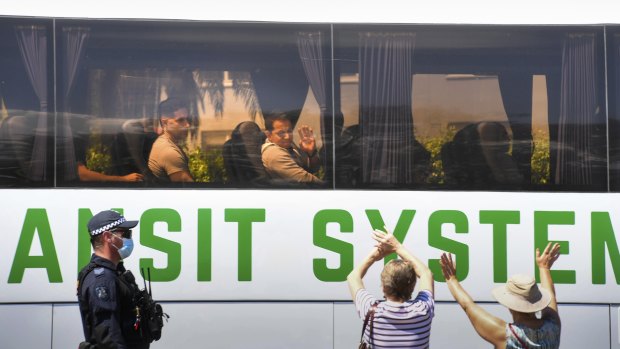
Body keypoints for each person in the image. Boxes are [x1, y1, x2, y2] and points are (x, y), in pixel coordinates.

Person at [439, 242, 561, 349]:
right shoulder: (553, 326)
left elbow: (468, 306)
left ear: (510, 304)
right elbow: (551, 297)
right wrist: (544, 268)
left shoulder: (505, 335)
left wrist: (451, 279)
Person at [347, 227, 435, 348]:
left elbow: (353, 277)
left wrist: (374, 255)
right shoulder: (423, 310)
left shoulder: (371, 310)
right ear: (413, 285)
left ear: (383, 287)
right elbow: (426, 274)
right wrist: (397, 247)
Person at [77, 210, 149, 349]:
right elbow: (109, 337)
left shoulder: (114, 273)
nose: (129, 239)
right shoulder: (102, 279)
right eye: (125, 234)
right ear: (107, 237)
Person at [261, 114, 323, 185]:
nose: (287, 137)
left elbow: (314, 168)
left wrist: (311, 153)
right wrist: (329, 188)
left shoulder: (288, 146)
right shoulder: (273, 153)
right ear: (268, 135)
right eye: (281, 133)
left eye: (289, 131)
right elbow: (307, 180)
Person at [148, 97, 194, 182]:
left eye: (187, 119)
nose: (187, 125)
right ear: (165, 123)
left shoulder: (165, 143)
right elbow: (189, 191)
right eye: (180, 120)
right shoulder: (169, 152)